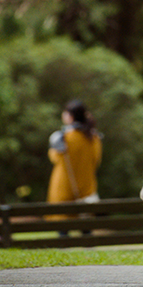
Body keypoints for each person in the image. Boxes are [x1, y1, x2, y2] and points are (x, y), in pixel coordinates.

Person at [46, 99, 103, 235]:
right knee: (86, 226)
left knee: (63, 226)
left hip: (63, 188)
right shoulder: (93, 138)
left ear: (70, 116)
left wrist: (51, 151)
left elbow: (55, 158)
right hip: (87, 187)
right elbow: (96, 161)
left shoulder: (64, 137)